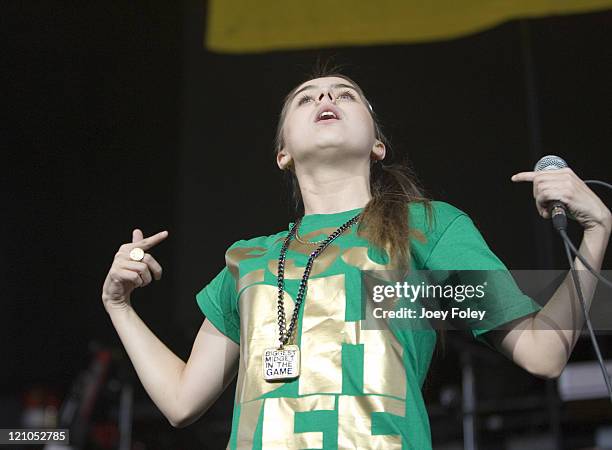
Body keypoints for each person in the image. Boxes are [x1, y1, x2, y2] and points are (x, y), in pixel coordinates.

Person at [101, 70, 611, 449]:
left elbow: (543, 354)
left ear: (378, 145)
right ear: (283, 152)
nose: (325, 97)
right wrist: (120, 305)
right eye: (307, 97)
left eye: (345, 94)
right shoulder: (248, 260)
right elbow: (181, 401)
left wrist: (596, 233)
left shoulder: (429, 228)